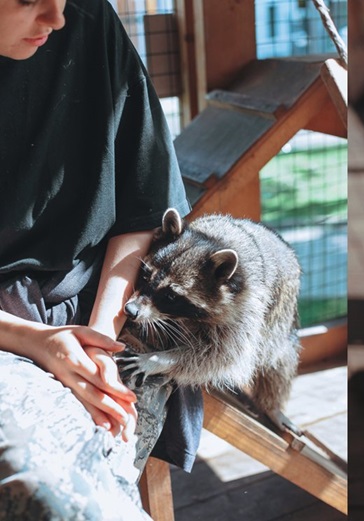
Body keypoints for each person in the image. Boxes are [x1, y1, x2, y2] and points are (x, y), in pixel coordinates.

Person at [0, 0, 196, 518]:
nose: (56, 19)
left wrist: (102, 346)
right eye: (28, 1)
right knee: (40, 484)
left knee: (100, 448)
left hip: (104, 307)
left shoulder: (85, 17)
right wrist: (34, 340)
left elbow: (144, 206)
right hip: (10, 333)